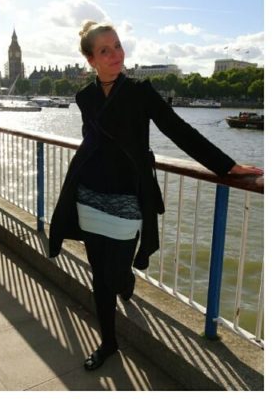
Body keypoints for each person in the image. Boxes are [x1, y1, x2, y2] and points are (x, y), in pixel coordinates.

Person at [48, 20, 262, 371]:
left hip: (128, 200)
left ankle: (126, 279)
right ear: (91, 60)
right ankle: (109, 343)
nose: (116, 54)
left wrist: (227, 166)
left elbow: (179, 131)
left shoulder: (141, 92)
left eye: (117, 46)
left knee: (114, 274)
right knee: (99, 276)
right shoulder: (83, 97)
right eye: (105, 50)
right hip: (89, 195)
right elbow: (93, 141)